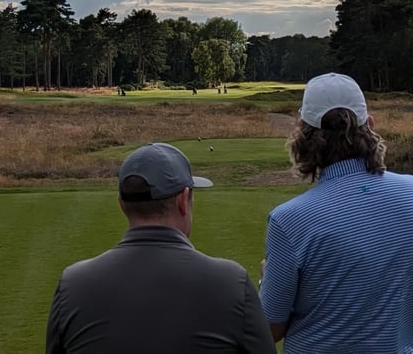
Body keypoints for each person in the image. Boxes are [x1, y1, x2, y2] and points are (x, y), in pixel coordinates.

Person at [259, 73, 413, 353]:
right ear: (369, 125)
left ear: (302, 133)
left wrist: (268, 283)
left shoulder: (289, 220)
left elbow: (269, 329)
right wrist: (391, 298)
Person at [46, 142, 275, 354]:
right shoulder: (231, 281)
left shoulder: (71, 284)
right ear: (182, 201)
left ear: (122, 205)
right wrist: (266, 288)